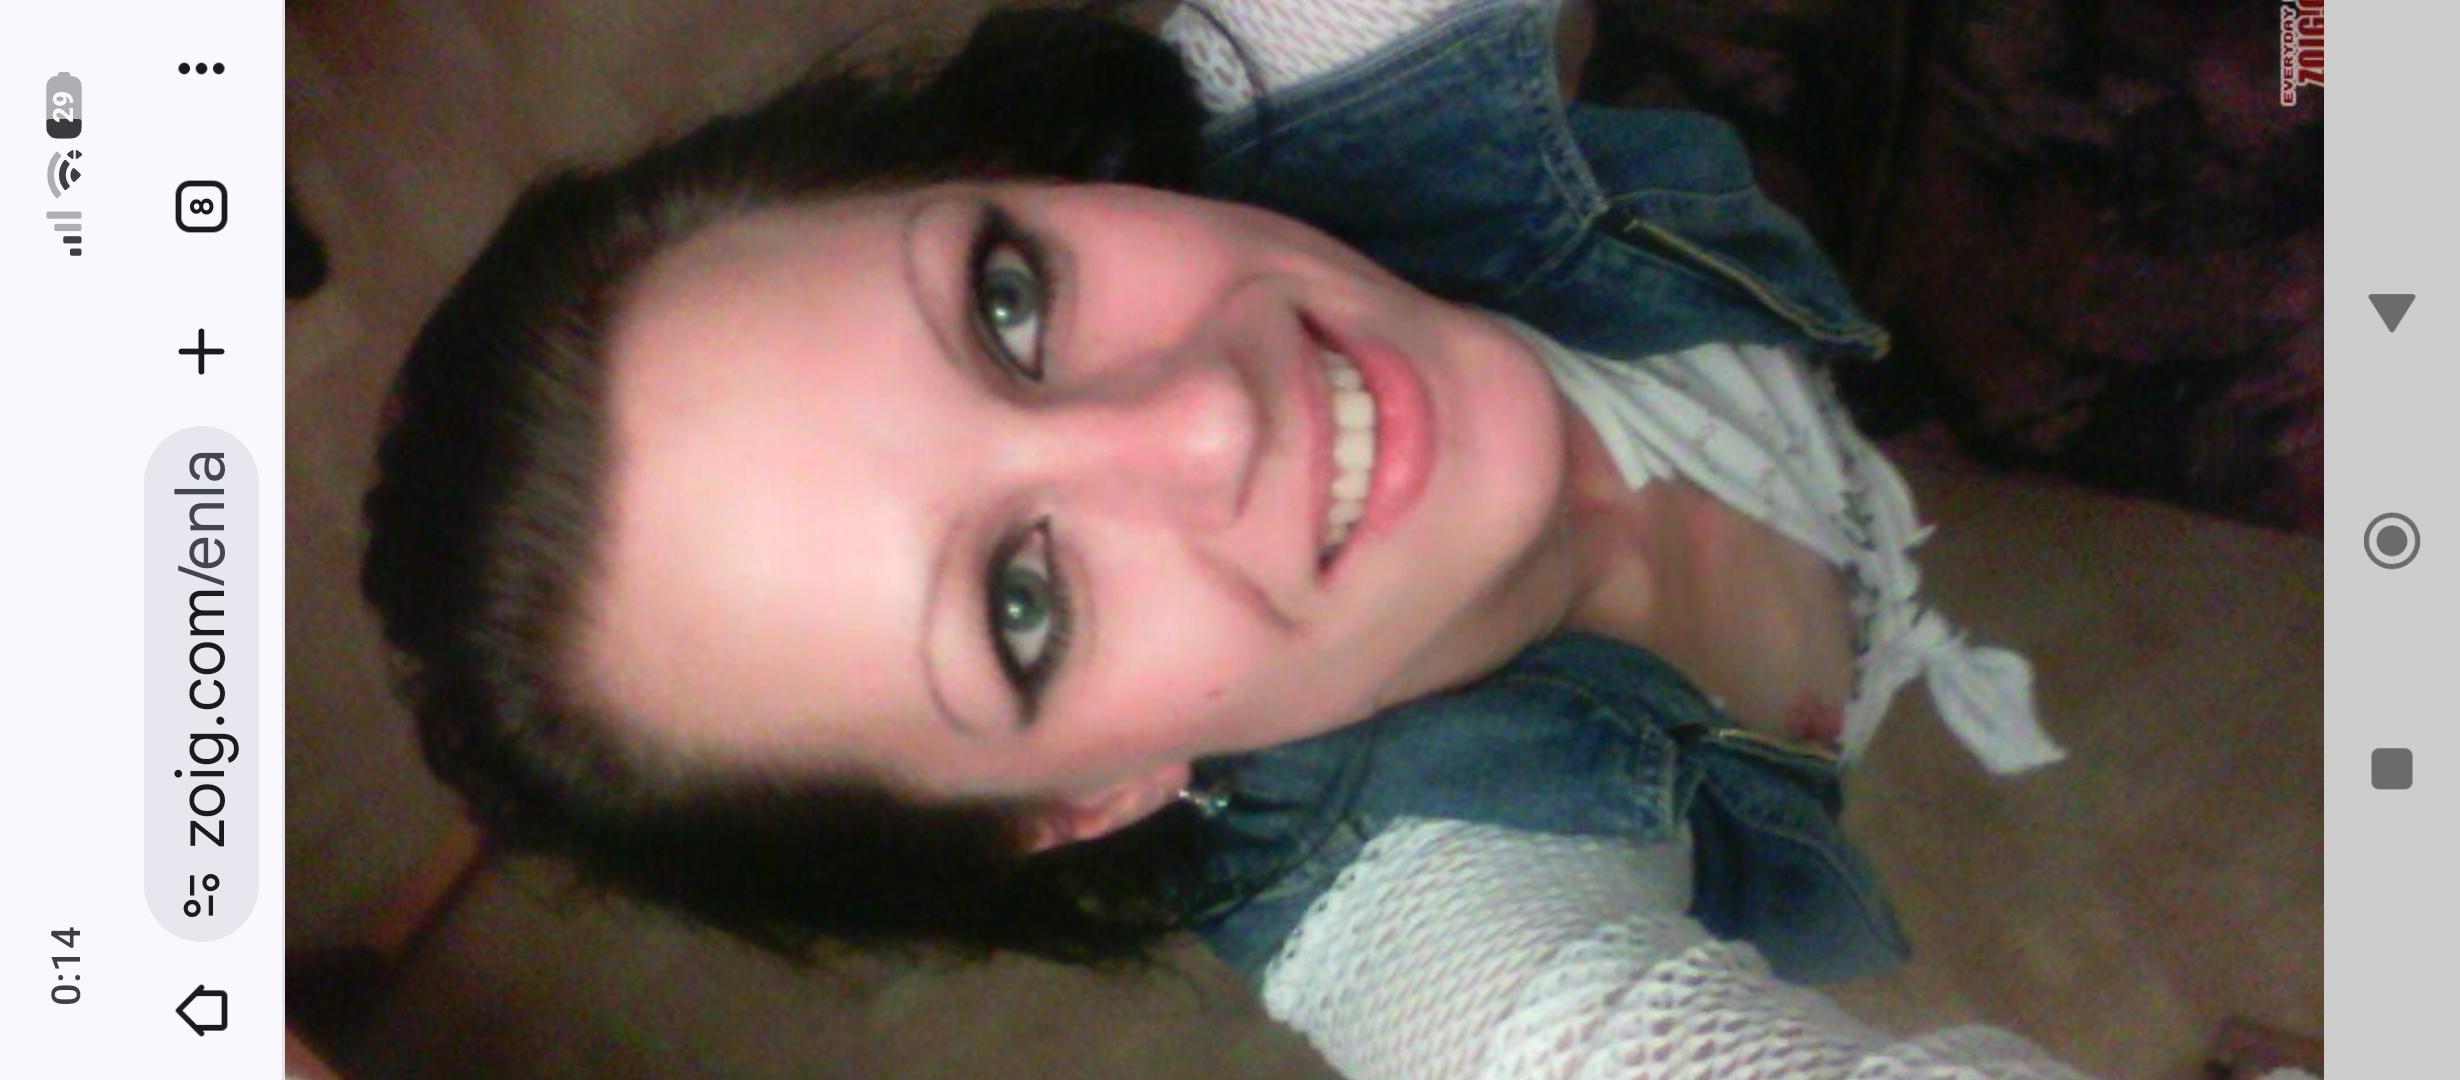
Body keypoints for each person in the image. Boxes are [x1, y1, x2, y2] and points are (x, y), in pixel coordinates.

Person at [360, 1, 2087, 1075]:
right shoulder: (1432, 927)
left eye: (1008, 297)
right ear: (1076, 800)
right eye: (1022, 605)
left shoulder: (1295, 73)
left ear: (1008, 169)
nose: (1204, 419)